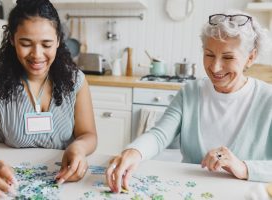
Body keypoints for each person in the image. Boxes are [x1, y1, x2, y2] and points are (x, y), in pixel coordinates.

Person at [106, 10, 272, 193]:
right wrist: (134, 152)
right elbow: (160, 135)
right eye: (209, 54)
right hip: (189, 192)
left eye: (228, 57)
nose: (215, 67)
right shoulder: (191, 92)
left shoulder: (268, 99)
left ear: (250, 57)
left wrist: (244, 167)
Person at [0, 0, 97, 198]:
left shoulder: (76, 80)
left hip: (64, 185)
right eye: (26, 44)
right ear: (12, 39)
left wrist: (78, 148)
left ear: (58, 40)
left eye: (46, 44)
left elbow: (88, 134)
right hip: (11, 184)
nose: (37, 55)